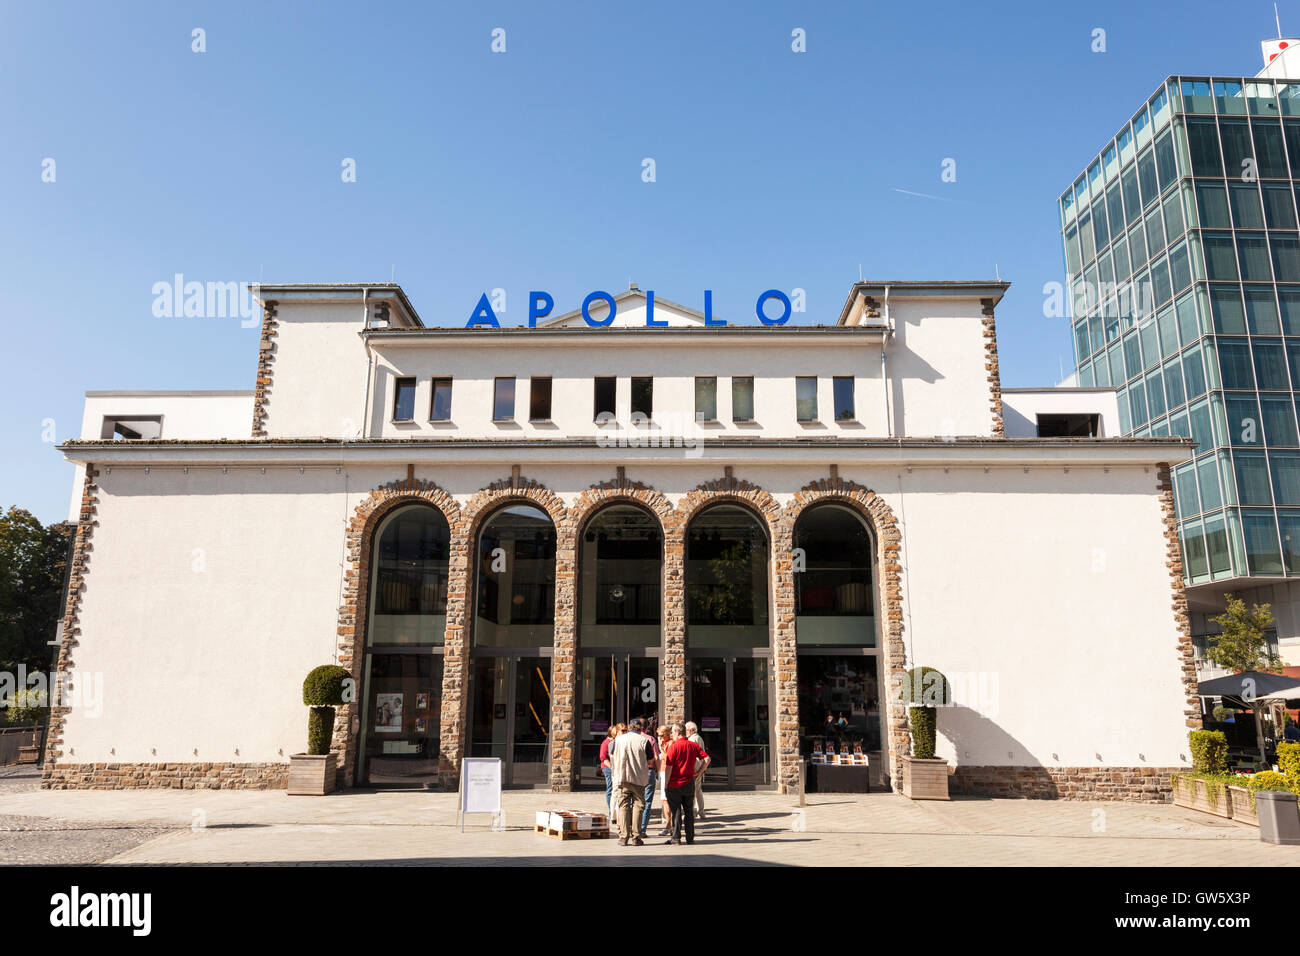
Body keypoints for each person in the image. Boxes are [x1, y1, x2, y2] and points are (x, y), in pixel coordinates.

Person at [662, 722, 710, 846]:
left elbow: (669, 767)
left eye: (672, 732)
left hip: (674, 783)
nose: (671, 734)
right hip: (689, 782)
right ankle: (690, 838)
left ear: (678, 732)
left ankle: (676, 838)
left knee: (676, 811)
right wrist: (699, 773)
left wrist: (666, 784)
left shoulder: (674, 747)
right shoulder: (692, 745)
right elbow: (707, 759)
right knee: (689, 811)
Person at [611, 718, 654, 846]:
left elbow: (613, 755)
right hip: (638, 778)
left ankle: (624, 837)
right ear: (640, 728)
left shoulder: (618, 740)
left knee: (623, 806)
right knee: (638, 806)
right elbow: (651, 760)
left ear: (630, 727)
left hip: (622, 777)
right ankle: (636, 837)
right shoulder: (644, 741)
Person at [640, 719, 661, 839]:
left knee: (633, 801)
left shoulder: (629, 738)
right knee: (647, 802)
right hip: (648, 771)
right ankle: (642, 829)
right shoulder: (650, 739)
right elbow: (656, 757)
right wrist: (658, 771)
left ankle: (632, 828)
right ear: (647, 727)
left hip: (635, 772)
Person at [685, 721, 708, 820]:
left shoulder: (693, 739)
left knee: (692, 791)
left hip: (695, 767)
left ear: (692, 730)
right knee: (698, 790)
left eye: (687, 730)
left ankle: (693, 811)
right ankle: (701, 811)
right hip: (699, 766)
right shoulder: (698, 738)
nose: (686, 732)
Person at [599, 723, 622, 815]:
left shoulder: (617, 741)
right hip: (608, 768)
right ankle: (611, 811)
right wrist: (612, 768)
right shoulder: (606, 743)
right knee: (611, 788)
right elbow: (603, 757)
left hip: (616, 768)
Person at [655, 725, 673, 835]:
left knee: (666, 800)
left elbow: (669, 759)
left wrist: (661, 749)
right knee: (663, 800)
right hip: (662, 771)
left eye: (662, 735)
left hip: (667, 771)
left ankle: (669, 825)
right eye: (659, 735)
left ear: (667, 734)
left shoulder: (670, 743)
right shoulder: (664, 743)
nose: (660, 737)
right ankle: (669, 824)